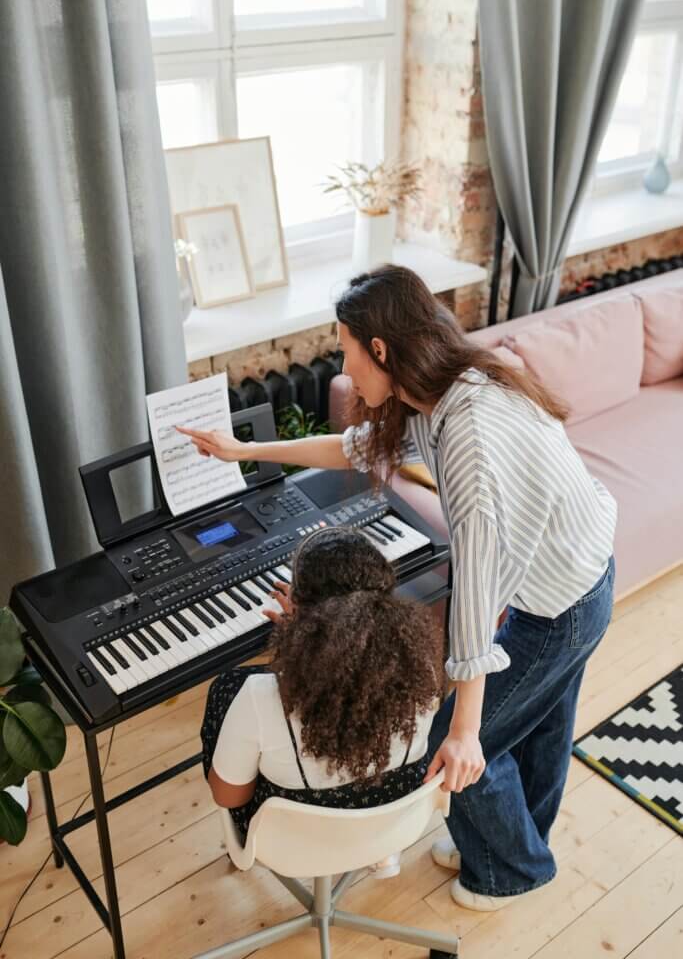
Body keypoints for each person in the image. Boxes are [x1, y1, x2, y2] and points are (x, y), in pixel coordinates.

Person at [183, 264, 617, 911]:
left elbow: (473, 581)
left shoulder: (468, 433)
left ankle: (511, 870)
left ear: (380, 348)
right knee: (540, 723)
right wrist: (242, 454)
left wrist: (464, 727)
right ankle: (512, 844)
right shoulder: (439, 395)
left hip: (564, 601)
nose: (345, 366)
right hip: (577, 576)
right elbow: (350, 449)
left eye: (346, 350)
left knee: (458, 737)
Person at [200, 525, 442, 876]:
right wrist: (315, 638)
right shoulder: (423, 671)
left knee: (226, 688)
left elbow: (228, 798)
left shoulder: (256, 699)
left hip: (291, 849)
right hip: (389, 827)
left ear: (298, 608)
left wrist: (299, 642)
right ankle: (378, 854)